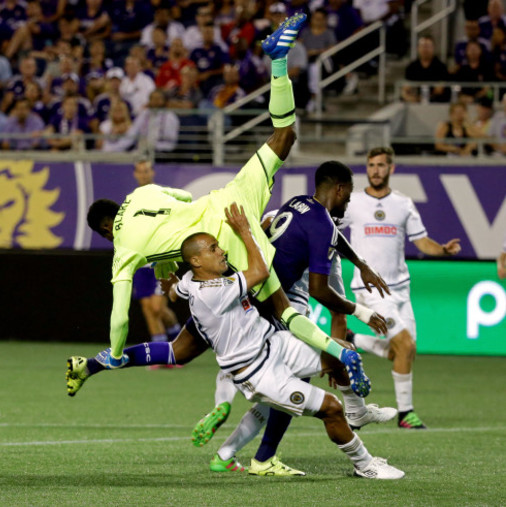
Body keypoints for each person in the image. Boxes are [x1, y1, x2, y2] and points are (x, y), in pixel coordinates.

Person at [68, 14, 371, 402]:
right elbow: (180, 199)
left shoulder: (123, 249)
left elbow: (120, 317)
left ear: (106, 231)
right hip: (228, 197)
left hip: (223, 239)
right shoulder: (140, 195)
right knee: (284, 135)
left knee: (282, 310)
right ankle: (278, 61)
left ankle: (339, 352)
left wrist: (112, 354)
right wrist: (168, 268)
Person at [193, 161, 397, 473]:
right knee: (290, 387)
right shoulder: (322, 228)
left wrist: (360, 262)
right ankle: (263, 458)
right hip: (278, 310)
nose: (349, 200)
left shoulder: (297, 203)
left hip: (254, 300)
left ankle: (227, 451)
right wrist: (363, 311)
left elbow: (329, 232)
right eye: (349, 194)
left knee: (282, 386)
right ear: (339, 189)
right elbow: (320, 290)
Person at [342, 146, 462, 429]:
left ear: (391, 169)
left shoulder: (403, 204)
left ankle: (355, 340)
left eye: (381, 165)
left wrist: (443, 250)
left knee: (404, 352)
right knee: (405, 343)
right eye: (371, 165)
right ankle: (405, 413)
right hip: (370, 289)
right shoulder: (353, 203)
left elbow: (421, 241)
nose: (375, 170)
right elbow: (330, 227)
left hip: (400, 289)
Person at [130, 159, 181, 366]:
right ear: (136, 174)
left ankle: (178, 343)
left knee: (159, 309)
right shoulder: (132, 201)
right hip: (141, 262)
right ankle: (160, 356)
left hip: (161, 260)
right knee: (148, 309)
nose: (143, 174)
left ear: (152, 172)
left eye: (146, 170)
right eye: (140, 171)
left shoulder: (162, 197)